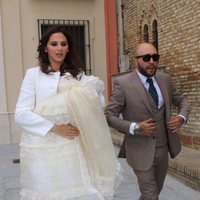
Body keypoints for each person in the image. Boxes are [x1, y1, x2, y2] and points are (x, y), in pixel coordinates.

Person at [15, 26, 120, 200]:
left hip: (73, 145)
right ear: (45, 48)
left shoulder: (78, 75)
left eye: (63, 44)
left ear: (68, 48)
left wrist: (94, 91)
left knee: (77, 192)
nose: (59, 48)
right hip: (41, 147)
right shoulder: (33, 75)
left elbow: (96, 106)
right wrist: (54, 127)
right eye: (54, 44)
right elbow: (21, 113)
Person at [105, 42, 190, 200]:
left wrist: (181, 117)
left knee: (154, 193)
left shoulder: (165, 79)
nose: (151, 61)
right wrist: (135, 127)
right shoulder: (123, 84)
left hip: (163, 148)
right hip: (139, 150)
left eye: (155, 57)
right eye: (146, 57)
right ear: (136, 60)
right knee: (150, 195)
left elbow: (183, 101)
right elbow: (109, 116)